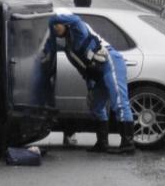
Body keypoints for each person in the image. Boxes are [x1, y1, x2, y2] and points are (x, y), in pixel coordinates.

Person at [45, 11, 136, 155]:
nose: (56, 28)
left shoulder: (78, 28)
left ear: (66, 24)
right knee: (96, 105)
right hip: (96, 72)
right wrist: (90, 87)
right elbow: (83, 68)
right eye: (54, 26)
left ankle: (128, 143)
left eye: (58, 24)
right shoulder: (68, 45)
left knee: (118, 102)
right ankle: (102, 142)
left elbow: (75, 18)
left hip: (110, 61)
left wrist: (51, 18)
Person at [62, 0, 94, 147]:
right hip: (89, 60)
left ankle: (68, 133)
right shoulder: (93, 18)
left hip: (73, 60)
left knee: (67, 99)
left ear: (74, 2)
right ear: (89, 3)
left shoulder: (70, 18)